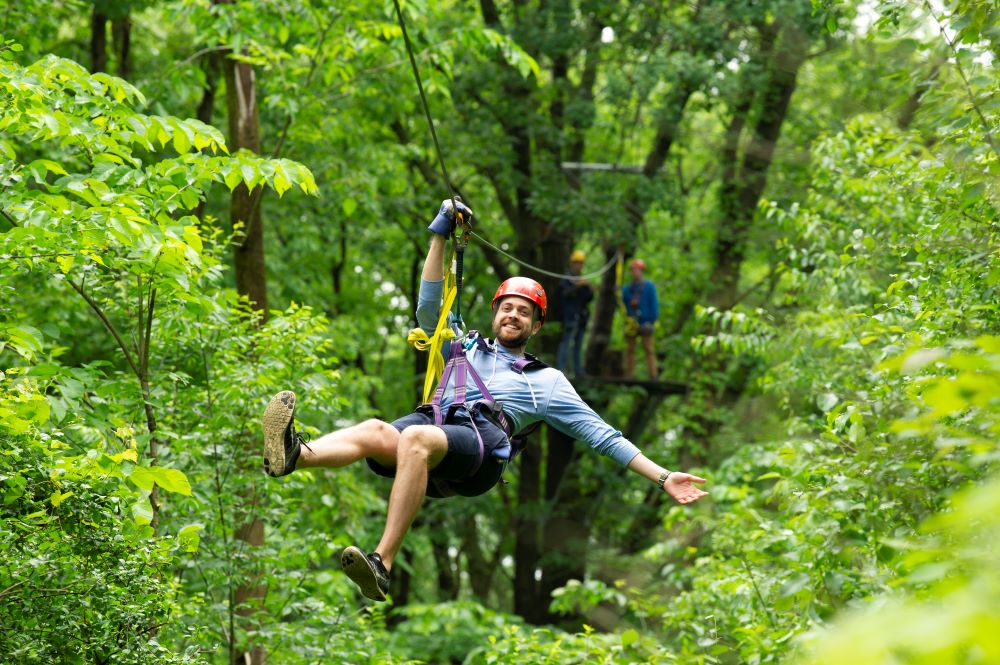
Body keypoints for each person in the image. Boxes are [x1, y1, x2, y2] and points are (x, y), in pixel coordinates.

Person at [261, 200, 707, 602]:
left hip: (480, 448)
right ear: (495, 313)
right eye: (506, 308)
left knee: (414, 436)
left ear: (535, 327)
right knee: (377, 429)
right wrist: (439, 235)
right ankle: (293, 456)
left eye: (523, 312)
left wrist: (662, 476)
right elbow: (429, 305)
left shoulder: (544, 381)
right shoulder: (465, 343)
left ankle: (382, 563)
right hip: (438, 426)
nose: (513, 315)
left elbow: (603, 436)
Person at [555, 250, 593, 377]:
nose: (578, 266)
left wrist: (588, 287)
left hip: (581, 317)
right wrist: (578, 286)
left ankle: (578, 371)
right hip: (569, 317)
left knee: (578, 344)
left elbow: (588, 298)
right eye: (576, 263)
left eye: (580, 263)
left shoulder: (581, 280)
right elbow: (565, 294)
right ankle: (561, 370)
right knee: (566, 343)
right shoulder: (566, 279)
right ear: (572, 264)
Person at [622, 258, 659, 379]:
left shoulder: (649, 286)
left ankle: (653, 375)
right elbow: (624, 302)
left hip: (646, 321)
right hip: (632, 321)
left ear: (641, 271)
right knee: (630, 350)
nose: (635, 272)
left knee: (648, 349)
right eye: (633, 270)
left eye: (637, 270)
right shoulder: (627, 289)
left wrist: (652, 320)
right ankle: (630, 375)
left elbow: (653, 304)